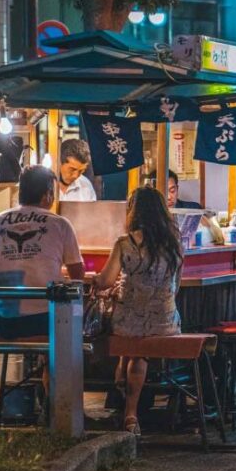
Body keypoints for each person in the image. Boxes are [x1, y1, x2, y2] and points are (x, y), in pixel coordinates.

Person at [93, 187, 183, 436]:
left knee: (132, 340)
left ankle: (130, 412)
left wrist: (94, 281)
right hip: (166, 323)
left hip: (129, 323)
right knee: (135, 336)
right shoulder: (174, 244)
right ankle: (123, 381)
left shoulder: (125, 243)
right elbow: (176, 287)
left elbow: (106, 281)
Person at [0, 166, 85, 339]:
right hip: (46, 320)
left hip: (6, 321)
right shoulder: (60, 224)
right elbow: (77, 273)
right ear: (48, 194)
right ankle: (50, 365)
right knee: (74, 317)